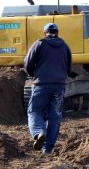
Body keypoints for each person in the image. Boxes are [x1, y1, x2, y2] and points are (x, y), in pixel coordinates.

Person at [24, 23, 73, 155]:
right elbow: (69, 67)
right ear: (57, 32)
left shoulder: (39, 44)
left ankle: (38, 132)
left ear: (45, 32)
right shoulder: (65, 46)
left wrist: (33, 75)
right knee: (55, 116)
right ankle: (48, 148)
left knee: (34, 111)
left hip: (42, 85)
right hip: (59, 86)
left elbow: (28, 63)